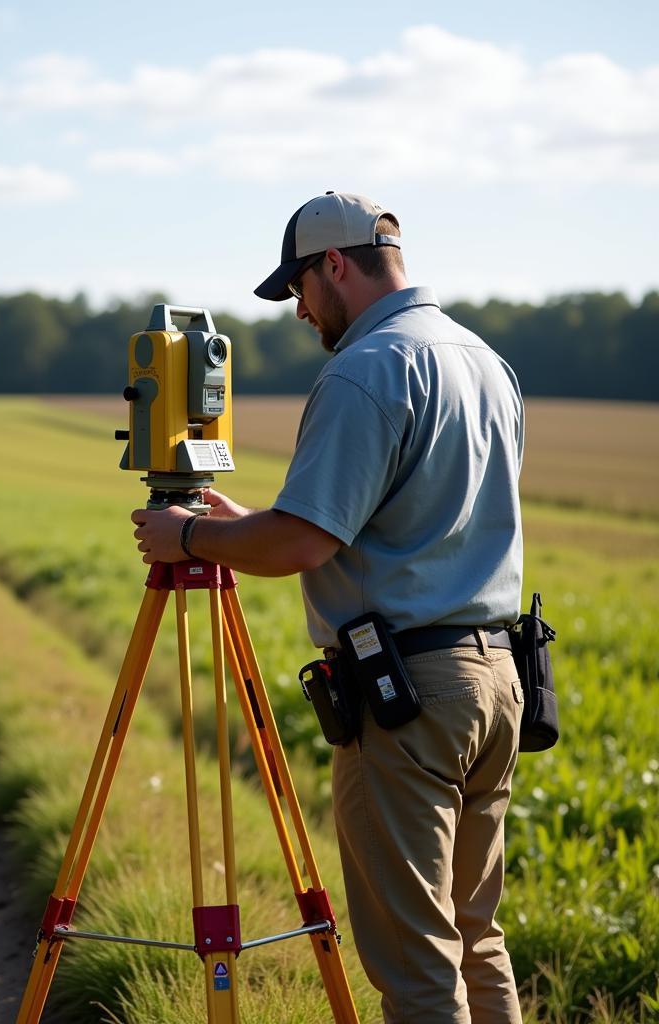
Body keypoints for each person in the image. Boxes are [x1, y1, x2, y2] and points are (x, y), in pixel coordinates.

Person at [131, 191, 525, 1023]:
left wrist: (188, 541)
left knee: (418, 965)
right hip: (496, 682)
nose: (302, 312)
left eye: (300, 291)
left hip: (411, 696)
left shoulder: (366, 367)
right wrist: (244, 527)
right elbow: (388, 526)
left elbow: (303, 545)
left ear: (335, 266)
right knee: (475, 941)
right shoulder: (482, 360)